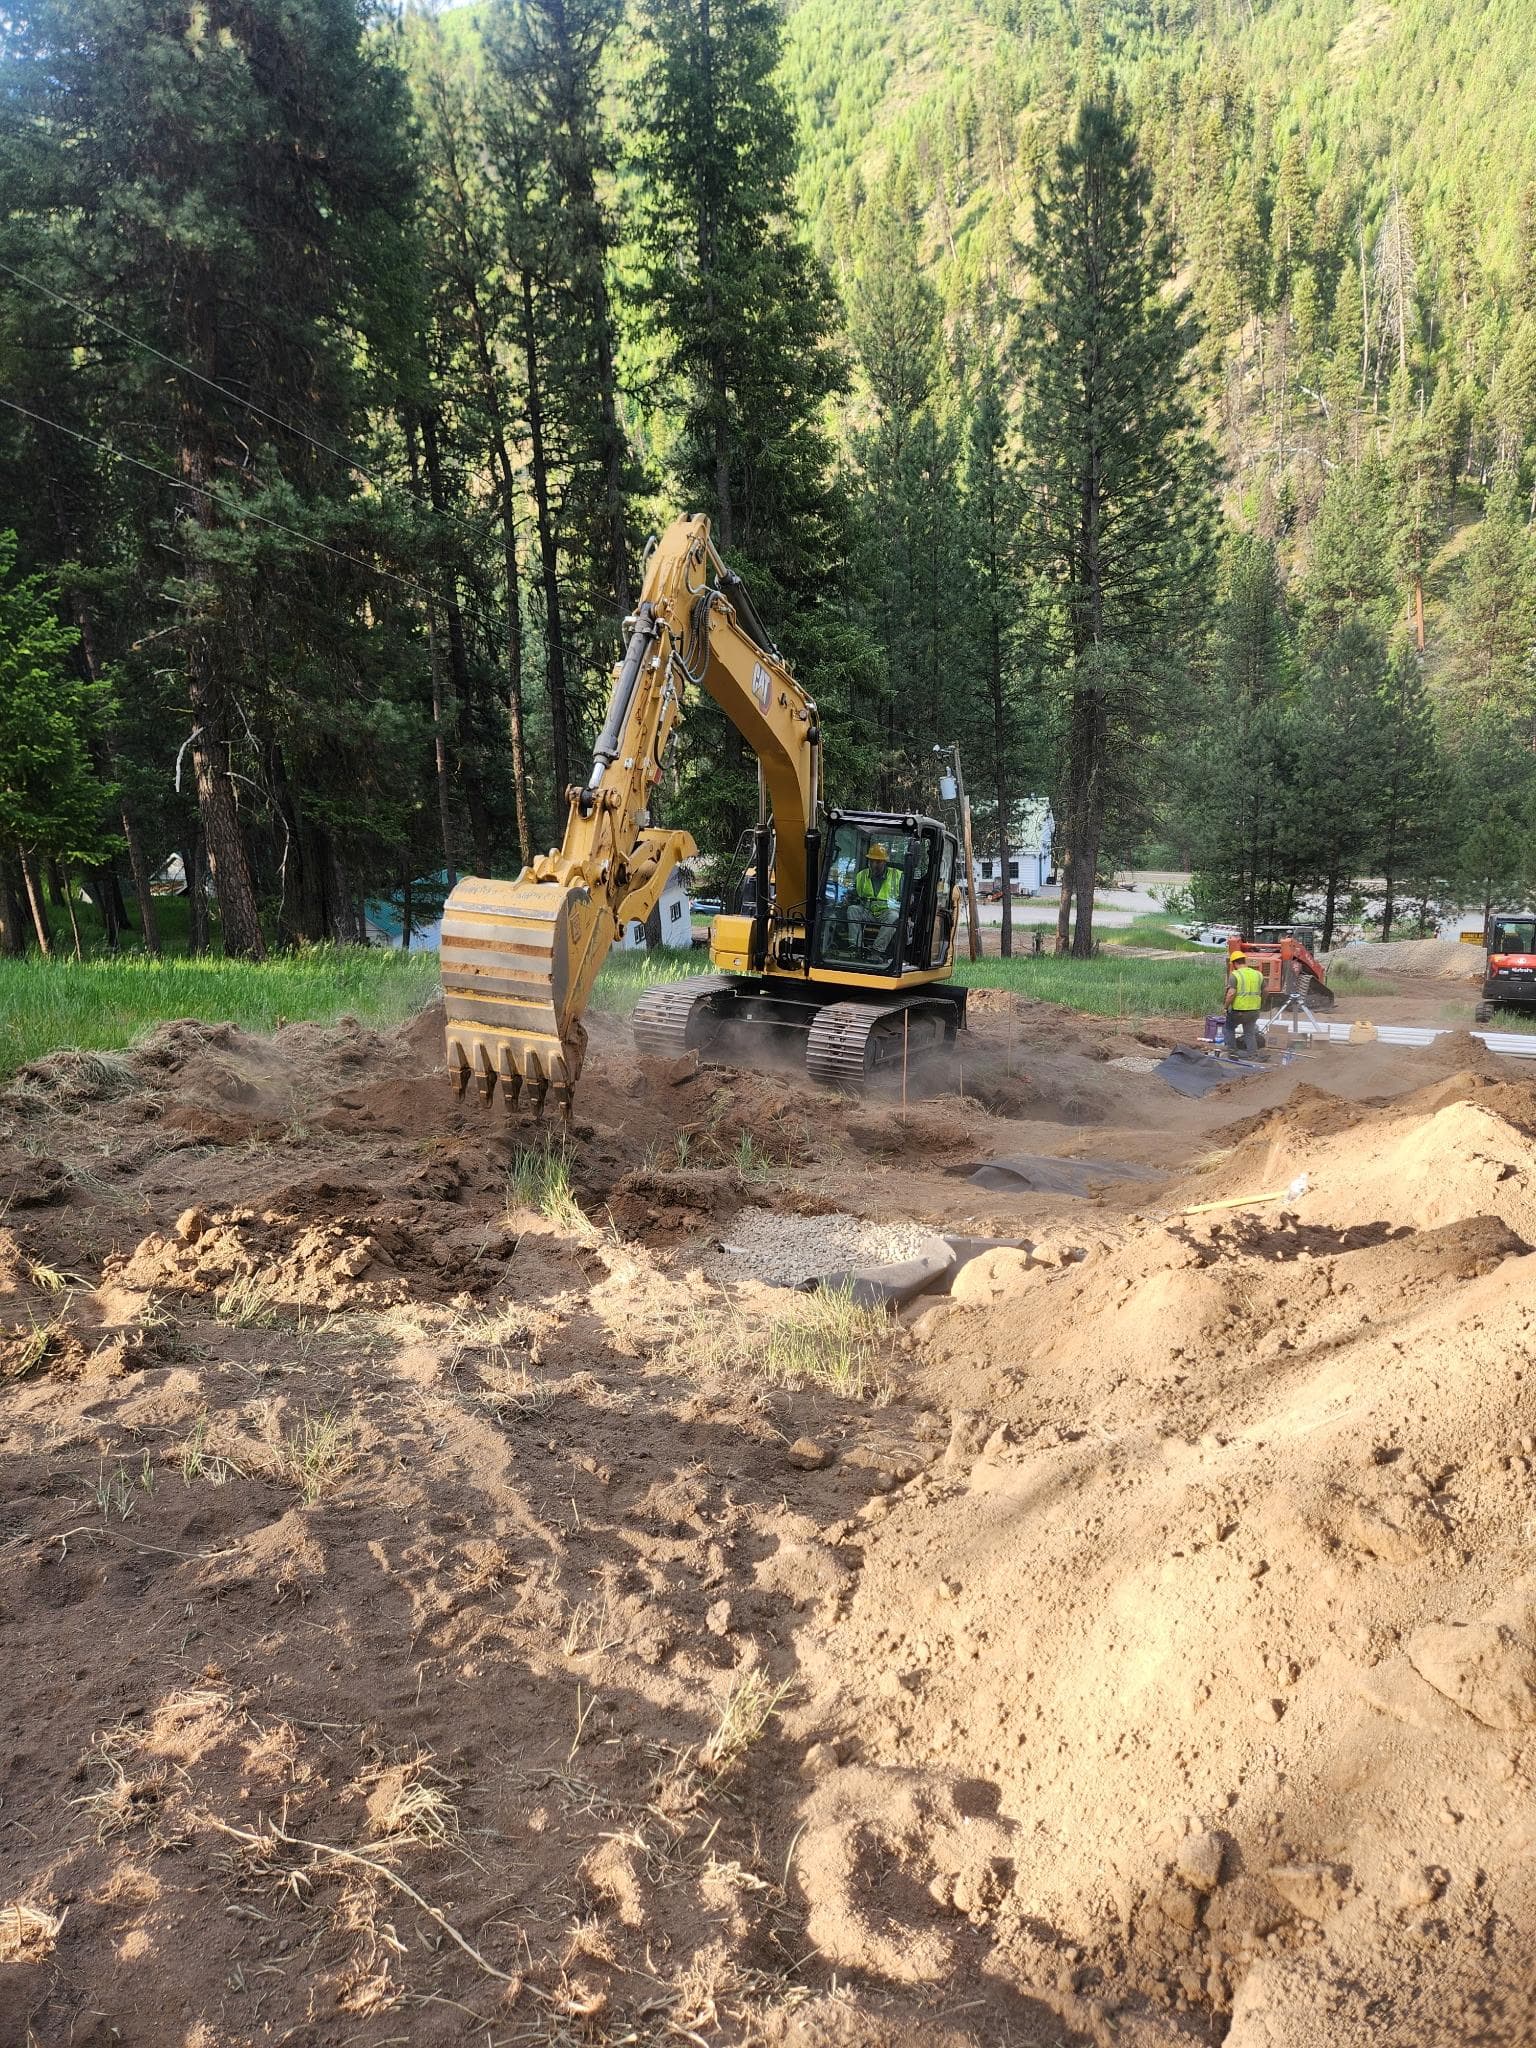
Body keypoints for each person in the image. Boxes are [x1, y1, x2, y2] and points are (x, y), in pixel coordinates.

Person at [850, 841, 902, 959]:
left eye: (878, 862)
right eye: (871, 861)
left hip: (887, 912)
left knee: (894, 916)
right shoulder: (861, 875)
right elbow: (854, 894)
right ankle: (856, 948)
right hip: (867, 911)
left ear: (885, 862)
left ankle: (877, 951)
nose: (874, 865)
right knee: (852, 910)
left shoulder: (897, 876)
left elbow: (907, 898)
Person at [1225, 947, 1265, 1056]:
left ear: (1234, 963)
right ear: (1244, 961)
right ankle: (1253, 1053)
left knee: (1228, 1028)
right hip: (1254, 1010)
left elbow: (1231, 993)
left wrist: (1225, 1007)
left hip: (1239, 1010)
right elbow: (1265, 991)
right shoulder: (1258, 974)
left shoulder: (1235, 975)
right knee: (1249, 1032)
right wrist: (1261, 1003)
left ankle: (1232, 1052)